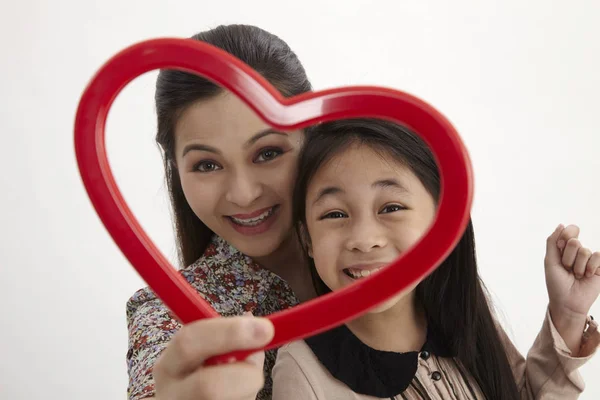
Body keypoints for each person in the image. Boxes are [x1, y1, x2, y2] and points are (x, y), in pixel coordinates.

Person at [271, 118, 600, 399]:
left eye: (391, 208)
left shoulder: (462, 317)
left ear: (441, 223)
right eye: (334, 214)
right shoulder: (303, 365)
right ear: (306, 239)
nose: (364, 240)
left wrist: (568, 314)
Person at [125, 24, 317, 400]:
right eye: (207, 165)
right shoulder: (169, 315)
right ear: (175, 170)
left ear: (313, 135)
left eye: (268, 153)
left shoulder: (390, 251)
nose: (244, 195)